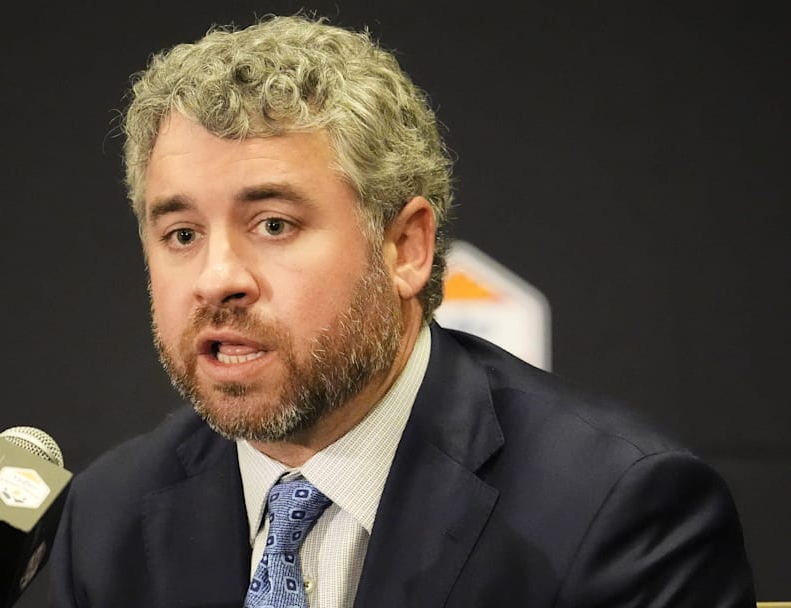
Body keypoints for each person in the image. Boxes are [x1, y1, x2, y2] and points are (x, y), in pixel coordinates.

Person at [51, 15, 755, 608]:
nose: (217, 279)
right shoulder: (107, 518)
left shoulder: (615, 510)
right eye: (181, 235)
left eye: (273, 225)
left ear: (405, 247)